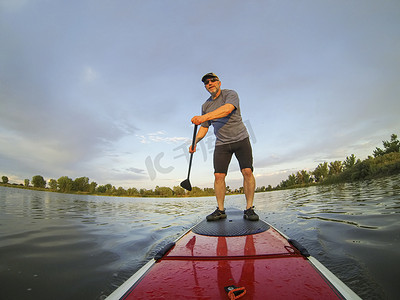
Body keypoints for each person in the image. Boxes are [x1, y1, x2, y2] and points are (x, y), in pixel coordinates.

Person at [190, 72, 259, 221]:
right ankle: (220, 210)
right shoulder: (205, 105)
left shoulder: (230, 94)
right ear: (205, 87)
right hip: (222, 143)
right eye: (206, 82)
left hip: (241, 138)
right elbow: (204, 127)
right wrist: (195, 142)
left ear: (219, 82)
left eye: (213, 80)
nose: (210, 83)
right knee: (218, 176)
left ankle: (249, 208)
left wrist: (204, 117)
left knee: (247, 171)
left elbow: (227, 109)